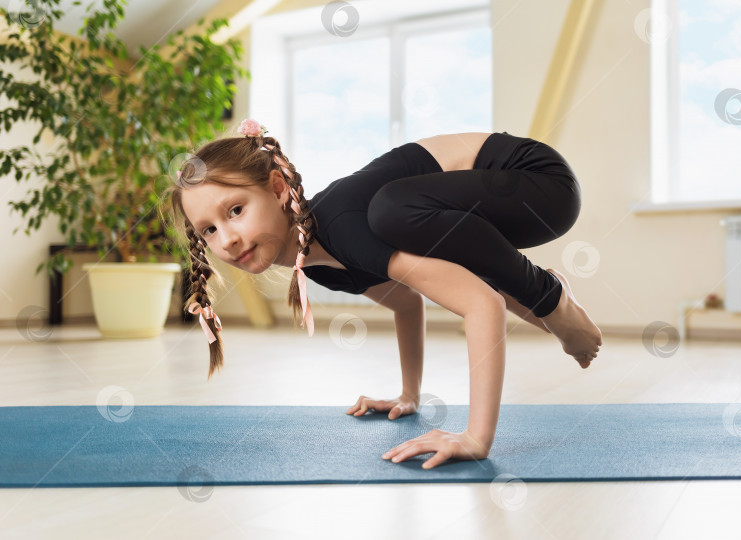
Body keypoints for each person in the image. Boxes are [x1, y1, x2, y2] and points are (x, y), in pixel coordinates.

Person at [164, 118, 602, 469]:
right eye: (209, 231)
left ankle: (552, 297)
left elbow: (482, 303)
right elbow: (406, 301)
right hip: (494, 211)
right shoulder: (321, 264)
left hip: (538, 182)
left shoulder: (341, 226)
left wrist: (475, 437)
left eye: (235, 211)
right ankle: (552, 299)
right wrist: (409, 395)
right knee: (414, 235)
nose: (227, 239)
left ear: (278, 190)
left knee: (391, 209)